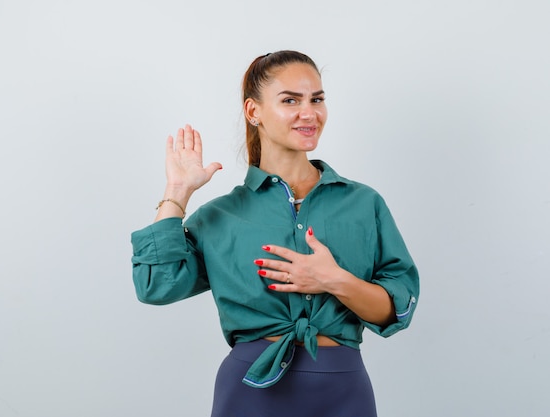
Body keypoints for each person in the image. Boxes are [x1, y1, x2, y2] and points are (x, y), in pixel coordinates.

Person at [131, 50, 419, 417]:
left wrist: (334, 280)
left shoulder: (364, 204)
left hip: (344, 390)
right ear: (254, 112)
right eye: (290, 100)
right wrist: (177, 193)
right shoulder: (221, 216)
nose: (309, 112)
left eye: (317, 99)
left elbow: (399, 309)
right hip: (250, 391)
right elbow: (156, 286)